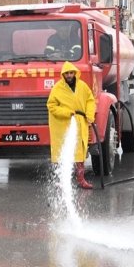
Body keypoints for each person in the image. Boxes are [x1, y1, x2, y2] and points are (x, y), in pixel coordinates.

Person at [46, 61, 96, 189]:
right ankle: (61, 180)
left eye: (71, 73)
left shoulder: (83, 86)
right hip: (64, 125)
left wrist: (90, 115)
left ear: (75, 73)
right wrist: (67, 113)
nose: (69, 75)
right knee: (63, 152)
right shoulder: (57, 88)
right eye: (67, 73)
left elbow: (90, 100)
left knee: (79, 153)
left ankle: (81, 180)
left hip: (80, 124)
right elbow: (51, 106)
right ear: (63, 74)